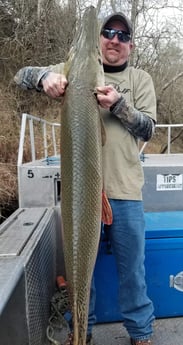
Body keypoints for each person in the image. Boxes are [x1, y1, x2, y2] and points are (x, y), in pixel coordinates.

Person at [14, 11, 156, 345]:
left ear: (130, 46)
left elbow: (147, 127)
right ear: (99, 40)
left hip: (125, 192)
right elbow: (20, 76)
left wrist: (119, 104)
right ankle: (82, 332)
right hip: (81, 193)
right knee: (81, 272)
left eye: (122, 36)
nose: (114, 40)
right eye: (108, 32)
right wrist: (43, 77)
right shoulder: (75, 69)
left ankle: (141, 333)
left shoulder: (140, 80)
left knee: (133, 273)